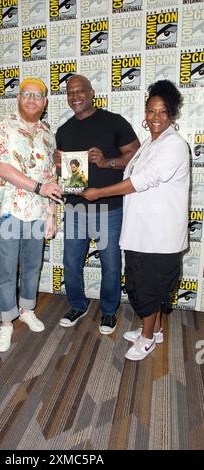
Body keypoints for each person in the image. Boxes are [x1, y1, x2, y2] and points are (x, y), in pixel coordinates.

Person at [82, 79, 189, 361]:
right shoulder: (150, 143)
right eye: (151, 111)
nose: (155, 117)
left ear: (172, 115)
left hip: (158, 234)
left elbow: (140, 181)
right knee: (150, 285)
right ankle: (155, 330)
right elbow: (129, 167)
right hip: (143, 232)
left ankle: (148, 337)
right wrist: (106, 163)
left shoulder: (174, 145)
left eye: (163, 112)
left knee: (149, 288)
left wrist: (98, 193)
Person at [54, 74, 140, 335]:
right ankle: (78, 306)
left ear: (92, 93)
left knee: (111, 264)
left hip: (108, 209)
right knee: (71, 262)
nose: (75, 96)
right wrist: (57, 166)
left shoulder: (113, 122)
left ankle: (109, 311)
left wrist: (107, 162)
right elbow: (64, 174)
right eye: (70, 92)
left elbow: (137, 157)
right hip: (75, 208)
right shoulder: (63, 130)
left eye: (80, 91)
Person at [0, 77, 63, 353]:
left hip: (38, 212)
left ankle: (27, 309)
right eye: (26, 94)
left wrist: (52, 213)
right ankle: (6, 322)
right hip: (7, 210)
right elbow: (1, 167)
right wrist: (39, 188)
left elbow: (51, 176)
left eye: (37, 95)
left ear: (44, 103)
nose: (31, 99)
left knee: (32, 265)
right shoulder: (2, 125)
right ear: (18, 98)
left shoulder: (47, 132)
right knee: (6, 270)